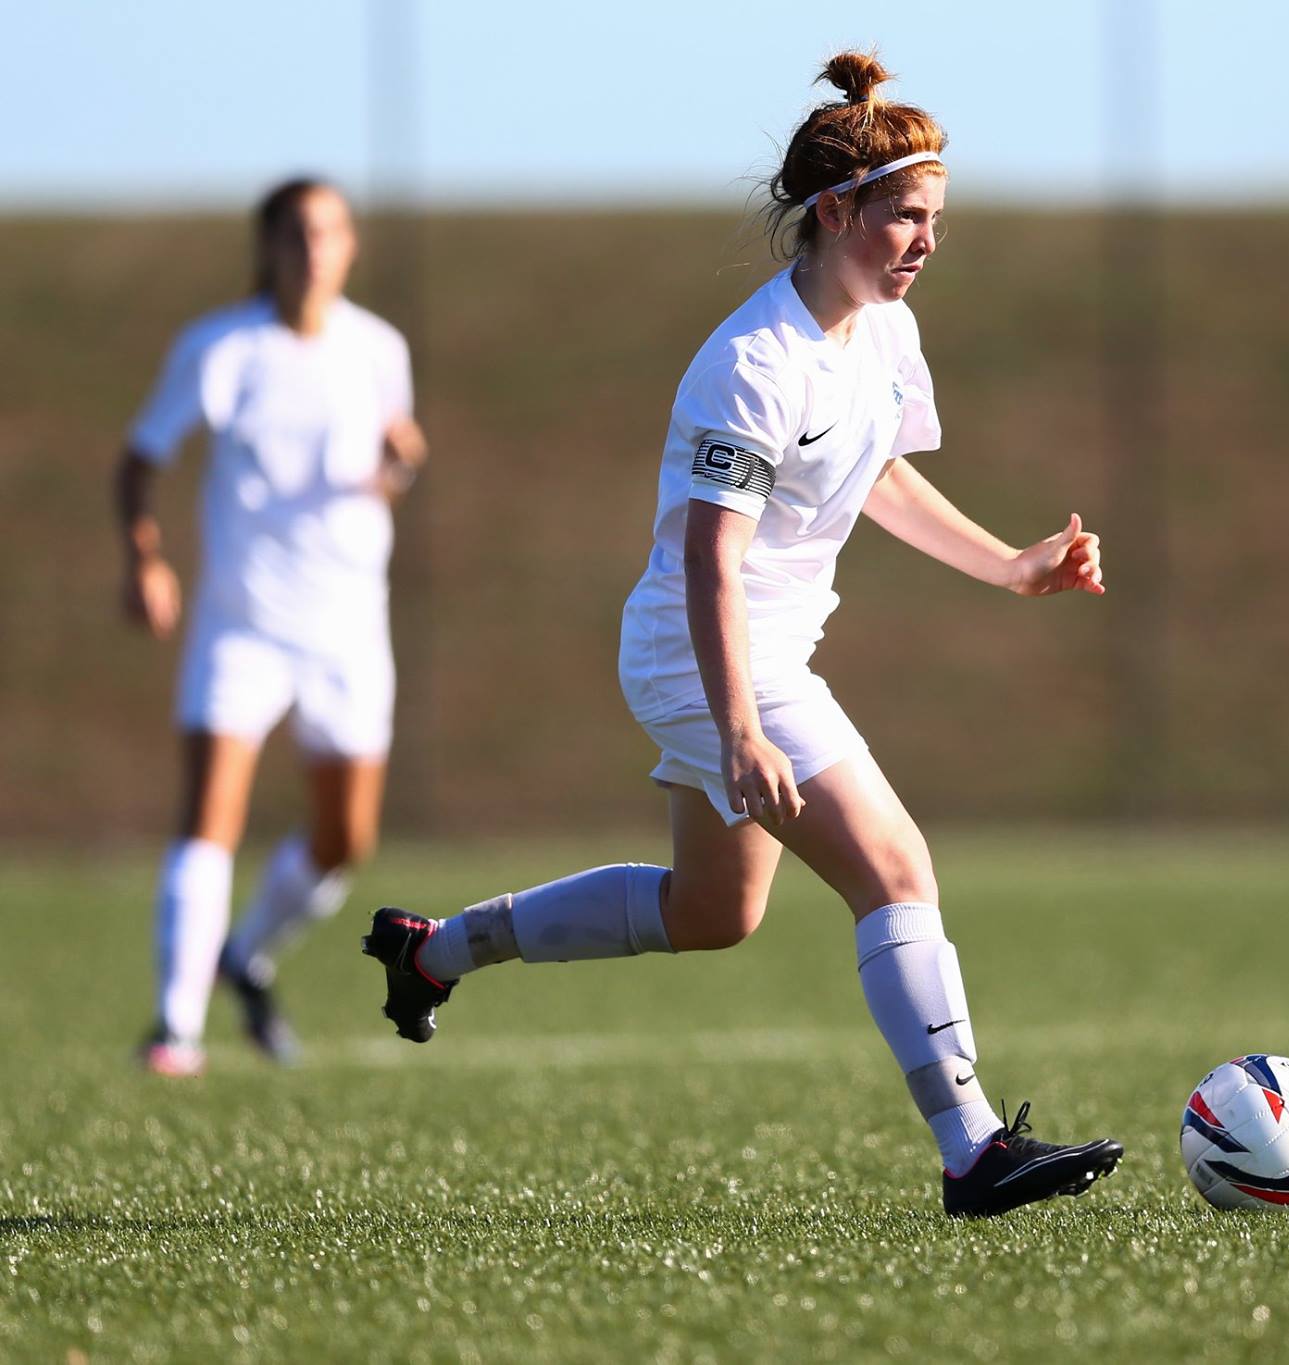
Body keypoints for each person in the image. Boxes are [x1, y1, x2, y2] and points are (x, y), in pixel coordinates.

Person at [361, 52, 1122, 1217]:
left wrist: (1010, 567)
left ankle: (433, 953)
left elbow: (877, 475)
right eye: (906, 217)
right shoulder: (751, 364)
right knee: (895, 870)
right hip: (708, 659)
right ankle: (972, 1150)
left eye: (935, 219)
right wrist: (738, 730)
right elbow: (711, 561)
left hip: (757, 658)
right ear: (835, 212)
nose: (927, 241)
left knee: (712, 914)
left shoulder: (881, 331)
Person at [119, 177, 426, 1076]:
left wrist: (400, 468)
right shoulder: (222, 348)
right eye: (295, 233)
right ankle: (175, 1026)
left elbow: (384, 477)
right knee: (209, 818)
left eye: (329, 231)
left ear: (350, 244)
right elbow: (139, 459)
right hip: (243, 622)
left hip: (348, 626)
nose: (313, 249)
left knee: (345, 840)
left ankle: (244, 954)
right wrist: (145, 558)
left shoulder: (378, 348)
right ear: (268, 246)